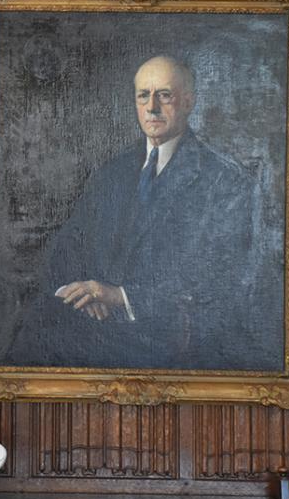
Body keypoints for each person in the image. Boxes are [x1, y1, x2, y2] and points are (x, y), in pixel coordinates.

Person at [25, 55, 265, 370]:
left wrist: (120, 297)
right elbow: (67, 248)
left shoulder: (225, 183)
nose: (152, 107)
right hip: (95, 325)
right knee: (36, 324)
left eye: (164, 95)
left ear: (189, 102)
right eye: (143, 95)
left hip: (172, 342)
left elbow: (217, 286)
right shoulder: (112, 173)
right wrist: (81, 294)